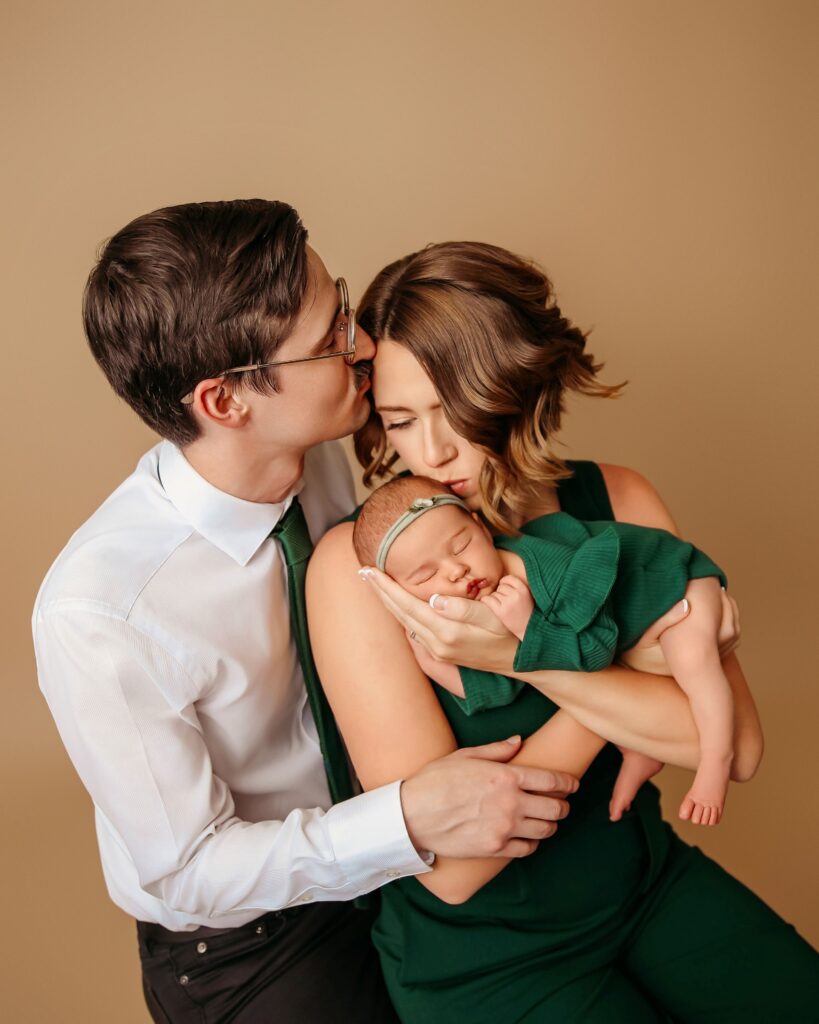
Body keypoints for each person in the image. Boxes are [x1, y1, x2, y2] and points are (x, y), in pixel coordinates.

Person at [32, 203, 583, 1024]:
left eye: (345, 308)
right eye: (331, 338)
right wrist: (401, 821)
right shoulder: (101, 611)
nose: (363, 346)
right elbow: (184, 871)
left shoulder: (327, 440)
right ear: (225, 404)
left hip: (407, 865)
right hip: (257, 943)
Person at [306, 240, 819, 1022]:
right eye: (401, 420)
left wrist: (520, 660)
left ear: (515, 387)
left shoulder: (618, 497)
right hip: (485, 960)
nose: (432, 452)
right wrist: (622, 668)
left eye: (457, 411)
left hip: (648, 885)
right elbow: (448, 862)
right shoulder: (361, 566)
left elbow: (735, 746)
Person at [352, 471, 734, 825]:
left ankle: (716, 761)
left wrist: (526, 625)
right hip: (626, 630)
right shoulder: (475, 606)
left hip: (671, 582)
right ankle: (640, 752)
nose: (455, 571)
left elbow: (596, 654)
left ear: (483, 530)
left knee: (692, 658)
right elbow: (510, 680)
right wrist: (435, 660)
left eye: (461, 545)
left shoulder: (537, 570)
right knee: (611, 702)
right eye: (426, 575)